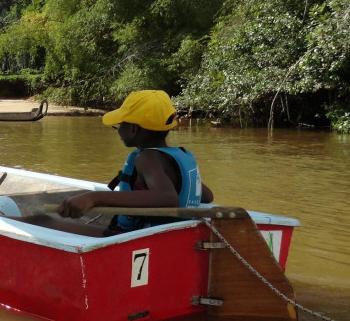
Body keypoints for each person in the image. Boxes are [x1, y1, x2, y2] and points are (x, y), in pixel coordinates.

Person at [23, 90, 213, 236]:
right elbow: (206, 196)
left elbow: (168, 198)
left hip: (135, 238)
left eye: (119, 125)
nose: (118, 130)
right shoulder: (178, 156)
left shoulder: (146, 158)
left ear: (133, 130)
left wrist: (94, 198)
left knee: (40, 221)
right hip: (170, 236)